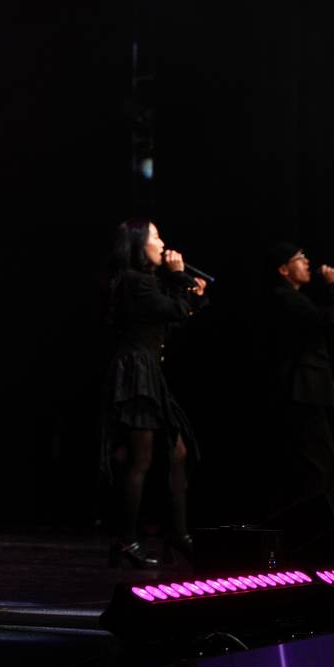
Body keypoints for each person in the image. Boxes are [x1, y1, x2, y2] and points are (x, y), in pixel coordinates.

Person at [102, 219, 206, 568]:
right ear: (137, 244)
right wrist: (179, 279)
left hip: (148, 372)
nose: (162, 244)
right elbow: (173, 309)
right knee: (140, 460)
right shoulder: (135, 281)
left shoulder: (143, 283)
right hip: (136, 373)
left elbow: (172, 318)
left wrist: (191, 294)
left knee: (177, 452)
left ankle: (178, 534)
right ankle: (126, 540)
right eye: (156, 237)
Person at [263, 242, 334, 510]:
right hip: (300, 393)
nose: (307, 262)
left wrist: (325, 382)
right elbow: (331, 321)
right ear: (284, 269)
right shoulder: (285, 298)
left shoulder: (292, 298)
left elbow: (301, 347)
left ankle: (311, 520)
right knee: (319, 465)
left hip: (307, 389)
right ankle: (312, 523)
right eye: (300, 258)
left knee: (321, 464)